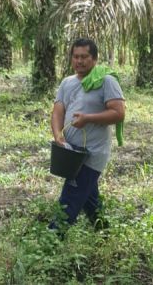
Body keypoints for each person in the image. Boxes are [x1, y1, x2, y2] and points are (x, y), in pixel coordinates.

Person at [51, 38, 125, 229]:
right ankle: (103, 232)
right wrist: (58, 134)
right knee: (90, 198)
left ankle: (50, 239)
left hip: (92, 153)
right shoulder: (67, 83)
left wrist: (88, 118)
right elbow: (58, 110)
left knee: (69, 200)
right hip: (71, 152)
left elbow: (118, 113)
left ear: (94, 58)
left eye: (84, 57)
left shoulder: (106, 81)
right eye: (76, 57)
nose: (79, 61)